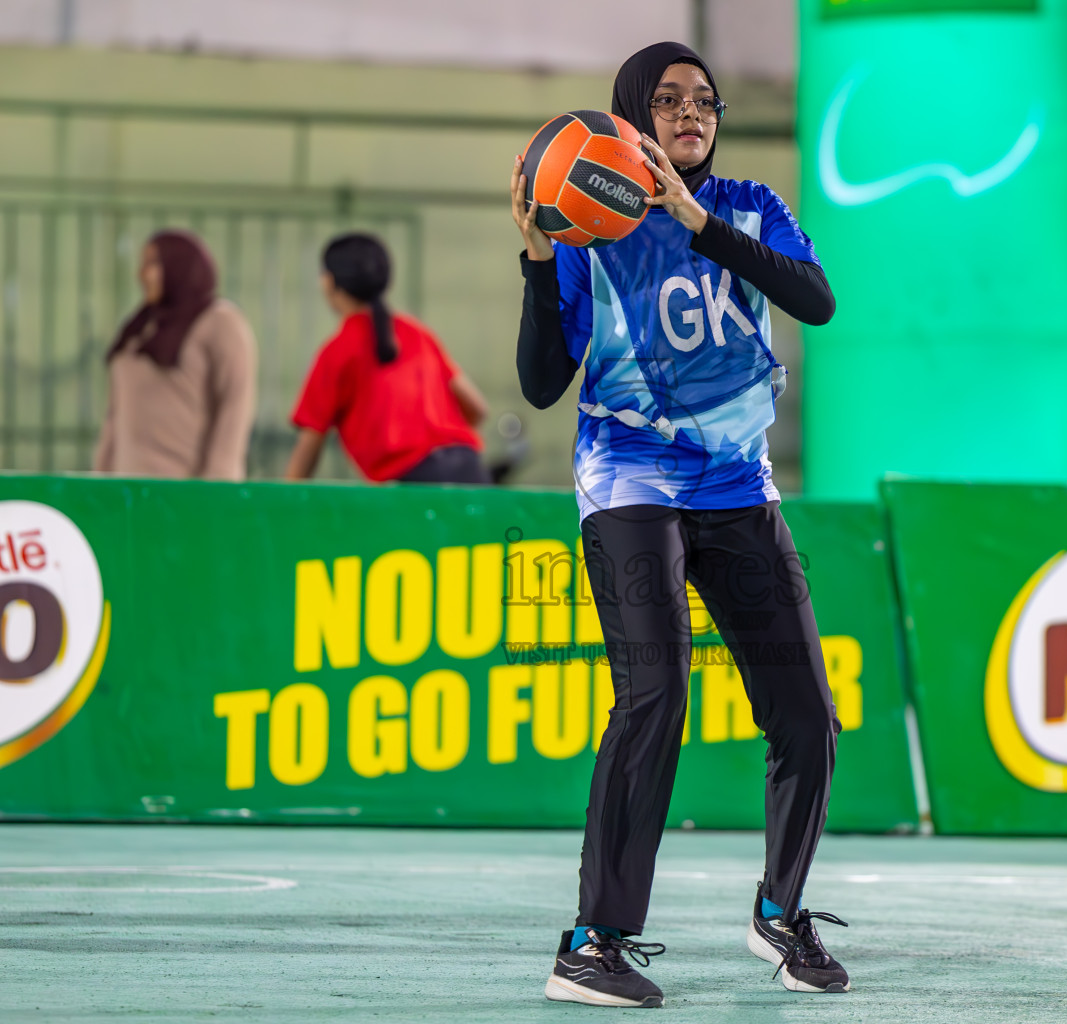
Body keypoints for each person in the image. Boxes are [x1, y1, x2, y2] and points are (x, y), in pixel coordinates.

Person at [512, 42, 846, 1008]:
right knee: (654, 695)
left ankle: (781, 915)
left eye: (704, 101)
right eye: (667, 101)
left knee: (807, 718)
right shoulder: (588, 230)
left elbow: (814, 303)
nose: (690, 114)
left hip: (739, 487)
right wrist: (538, 258)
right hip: (629, 483)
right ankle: (593, 939)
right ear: (628, 116)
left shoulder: (750, 207)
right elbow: (540, 385)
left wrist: (700, 224)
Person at [285, 233, 490, 483]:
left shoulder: (336, 352)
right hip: (471, 469)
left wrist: (281, 508)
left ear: (328, 282)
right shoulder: (418, 334)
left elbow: (309, 446)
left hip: (414, 484)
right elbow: (477, 409)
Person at [93, 230, 256, 480]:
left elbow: (234, 406)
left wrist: (219, 487)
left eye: (153, 263)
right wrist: (99, 479)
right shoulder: (140, 328)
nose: (142, 274)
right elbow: (115, 417)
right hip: (126, 491)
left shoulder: (219, 322)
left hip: (186, 492)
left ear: (182, 265)